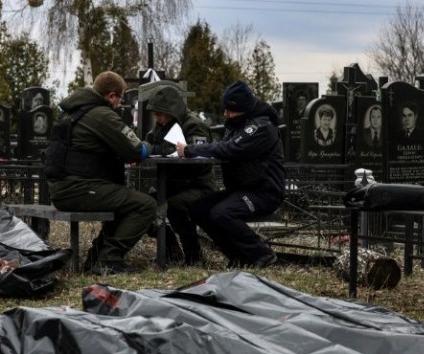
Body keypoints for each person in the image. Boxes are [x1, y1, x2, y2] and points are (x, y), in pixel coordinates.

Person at [43, 70, 154, 275]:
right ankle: (109, 259)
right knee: (145, 205)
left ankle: (95, 258)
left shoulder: (74, 111)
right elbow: (136, 151)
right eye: (120, 98)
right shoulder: (102, 114)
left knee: (125, 202)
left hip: (65, 188)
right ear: (112, 96)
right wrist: (150, 144)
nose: (120, 104)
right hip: (79, 188)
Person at [176, 80, 285, 268]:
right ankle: (237, 255)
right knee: (198, 209)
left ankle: (262, 253)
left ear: (245, 109)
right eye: (225, 109)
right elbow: (224, 146)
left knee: (222, 213)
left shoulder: (261, 126)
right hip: (242, 190)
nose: (226, 114)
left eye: (230, 110)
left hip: (263, 192)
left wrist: (191, 150)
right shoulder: (236, 123)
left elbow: (231, 148)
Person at [145, 86, 215, 265]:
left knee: (177, 206)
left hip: (197, 185)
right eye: (156, 115)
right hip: (172, 184)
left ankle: (194, 256)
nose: (157, 119)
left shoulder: (194, 125)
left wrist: (162, 150)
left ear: (171, 111)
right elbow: (150, 140)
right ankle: (171, 250)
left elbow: (198, 157)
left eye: (159, 114)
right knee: (143, 206)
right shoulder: (163, 125)